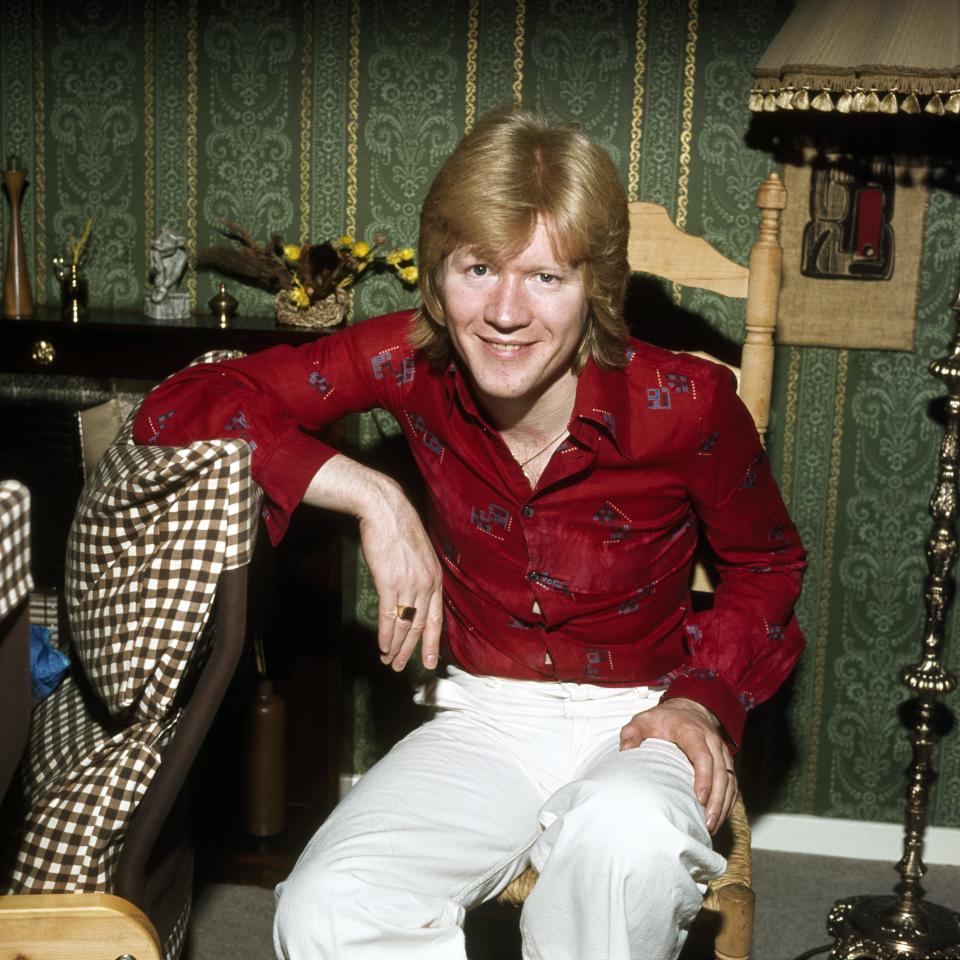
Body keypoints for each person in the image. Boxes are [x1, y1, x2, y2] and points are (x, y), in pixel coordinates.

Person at [133, 105, 805, 960]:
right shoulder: (409, 363)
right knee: (325, 906)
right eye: (478, 267)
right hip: (487, 717)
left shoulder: (687, 404)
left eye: (547, 278)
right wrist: (369, 492)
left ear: (594, 286)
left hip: (645, 712)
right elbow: (175, 409)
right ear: (438, 272)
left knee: (620, 842)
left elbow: (769, 563)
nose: (505, 313)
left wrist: (701, 697)